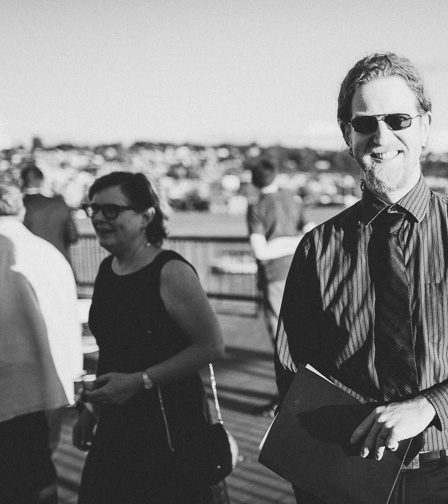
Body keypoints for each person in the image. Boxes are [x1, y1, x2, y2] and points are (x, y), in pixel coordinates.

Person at [274, 52, 448, 504]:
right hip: (343, 474)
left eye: (398, 119)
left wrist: (429, 406)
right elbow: (292, 373)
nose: (382, 137)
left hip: (444, 478)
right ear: (347, 134)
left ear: (425, 128)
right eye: (365, 123)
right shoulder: (317, 250)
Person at [73, 172, 225, 504]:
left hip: (167, 422)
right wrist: (93, 408)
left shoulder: (170, 271)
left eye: (111, 210)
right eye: (93, 209)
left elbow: (212, 346)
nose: (98, 218)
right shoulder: (107, 269)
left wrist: (140, 380)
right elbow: (113, 351)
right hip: (117, 420)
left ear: (146, 217)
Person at [0, 184, 81, 504]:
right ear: (21, 210)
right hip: (50, 379)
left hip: (9, 387)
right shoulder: (49, 253)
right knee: (38, 470)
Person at [245, 158, 313, 415]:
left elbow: (260, 252)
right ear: (275, 175)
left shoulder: (257, 207)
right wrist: (294, 241)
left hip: (275, 277)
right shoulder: (293, 199)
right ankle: (303, 396)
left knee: (282, 342)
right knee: (302, 336)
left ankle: (286, 401)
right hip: (301, 273)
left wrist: (280, 243)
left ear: (253, 180)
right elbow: (311, 232)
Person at [20, 164, 79, 264]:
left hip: (31, 265)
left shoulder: (19, 208)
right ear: (41, 180)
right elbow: (73, 237)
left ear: (22, 181)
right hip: (61, 265)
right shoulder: (59, 205)